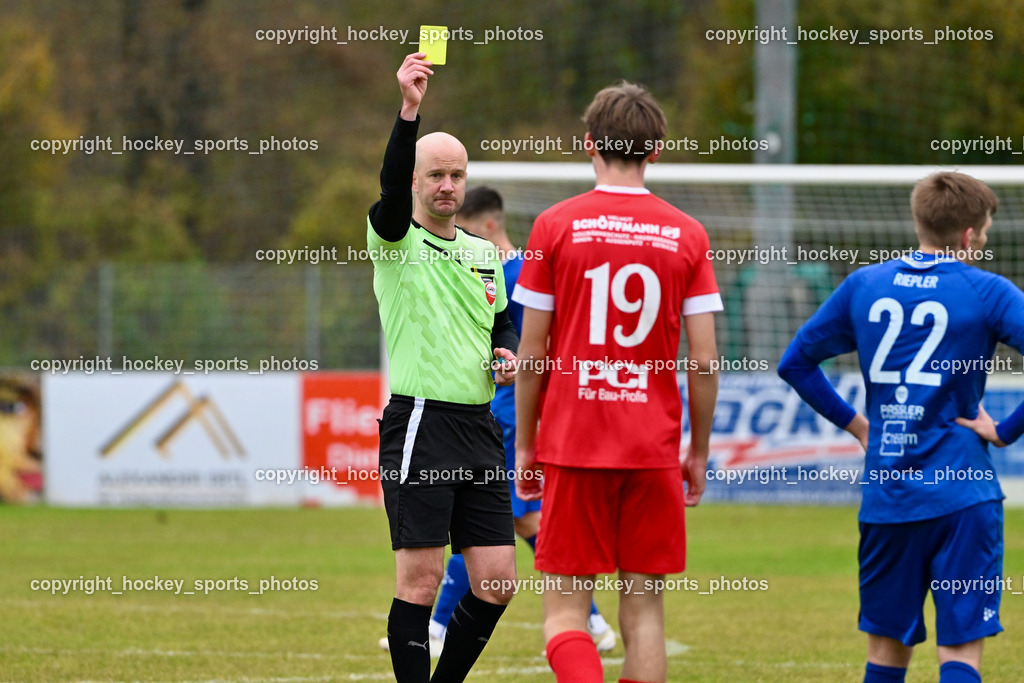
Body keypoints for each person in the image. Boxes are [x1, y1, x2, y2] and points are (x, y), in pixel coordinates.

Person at [777, 171, 1024, 683]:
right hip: (964, 497)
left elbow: (795, 363)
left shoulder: (864, 285)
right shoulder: (989, 291)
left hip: (890, 496)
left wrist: (859, 426)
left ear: (920, 221)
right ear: (968, 236)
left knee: (886, 656)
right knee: (959, 653)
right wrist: (1006, 430)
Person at [513, 82, 723, 683]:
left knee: (564, 611)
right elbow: (704, 361)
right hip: (651, 449)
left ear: (588, 145)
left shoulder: (554, 227)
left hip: (574, 442)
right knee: (646, 611)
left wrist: (527, 444)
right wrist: (699, 452)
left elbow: (532, 353)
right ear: (656, 151)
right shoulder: (688, 234)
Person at [377, 187, 616, 657]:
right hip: (496, 415)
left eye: (465, 225)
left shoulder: (512, 272)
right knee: (520, 520)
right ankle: (593, 618)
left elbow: (544, 345)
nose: (457, 233)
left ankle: (440, 624)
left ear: (487, 225)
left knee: (490, 525)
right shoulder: (492, 266)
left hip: (504, 417)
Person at [368, 52, 519, 683]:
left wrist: (507, 350)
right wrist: (409, 109)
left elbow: (501, 320)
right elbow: (388, 186)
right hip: (421, 425)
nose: (447, 186)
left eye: (456, 175)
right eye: (434, 175)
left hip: (479, 426)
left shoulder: (485, 254)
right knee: (423, 579)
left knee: (497, 581)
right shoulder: (395, 239)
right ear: (414, 181)